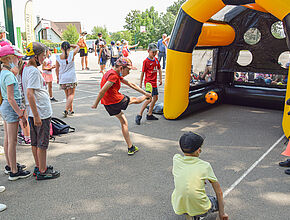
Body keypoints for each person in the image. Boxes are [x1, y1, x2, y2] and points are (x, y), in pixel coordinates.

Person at [91, 57, 151, 155]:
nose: (129, 72)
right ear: (121, 68)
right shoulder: (114, 76)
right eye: (128, 70)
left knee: (123, 122)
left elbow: (131, 84)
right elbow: (102, 90)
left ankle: (130, 147)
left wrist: (143, 91)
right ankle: (147, 96)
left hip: (108, 105)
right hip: (115, 101)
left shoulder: (111, 72)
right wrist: (95, 104)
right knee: (136, 100)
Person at [22, 42, 60, 180]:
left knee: (35, 142)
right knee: (42, 143)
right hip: (40, 113)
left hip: (36, 112)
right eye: (43, 56)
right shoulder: (32, 71)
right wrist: (37, 116)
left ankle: (39, 166)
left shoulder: (27, 68)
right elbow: (30, 94)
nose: (44, 59)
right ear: (35, 56)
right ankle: (42, 171)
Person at [172, 132, 229, 220]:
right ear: (199, 150)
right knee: (218, 201)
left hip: (179, 205)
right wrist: (222, 213)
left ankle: (188, 213)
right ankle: (200, 214)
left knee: (185, 194)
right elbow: (219, 192)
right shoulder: (205, 166)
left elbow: (187, 172)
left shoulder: (176, 159)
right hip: (200, 207)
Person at [0, 45, 31, 180]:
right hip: (11, 108)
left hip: (5, 107)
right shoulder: (9, 76)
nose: (18, 60)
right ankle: (14, 171)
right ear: (8, 58)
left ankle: (9, 165)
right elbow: (11, 98)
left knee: (8, 139)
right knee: (12, 141)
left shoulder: (3, 72)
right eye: (16, 58)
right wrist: (20, 114)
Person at [135, 43, 162, 125]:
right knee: (149, 99)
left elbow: (159, 69)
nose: (154, 54)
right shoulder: (146, 61)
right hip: (148, 83)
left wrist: (160, 79)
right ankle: (139, 115)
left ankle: (149, 114)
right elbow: (143, 72)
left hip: (154, 83)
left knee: (155, 98)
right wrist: (140, 83)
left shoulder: (156, 60)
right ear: (148, 51)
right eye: (152, 52)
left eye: (155, 52)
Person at [56, 41, 80, 117]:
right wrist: (70, 45)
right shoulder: (71, 54)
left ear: (61, 48)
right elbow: (77, 47)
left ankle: (71, 109)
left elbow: (57, 69)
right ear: (69, 48)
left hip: (63, 78)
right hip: (71, 77)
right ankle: (66, 110)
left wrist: (57, 78)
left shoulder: (58, 57)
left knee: (67, 95)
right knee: (71, 94)